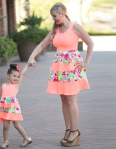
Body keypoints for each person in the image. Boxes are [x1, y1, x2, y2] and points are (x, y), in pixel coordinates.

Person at [28, 2, 94, 147]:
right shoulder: (55, 30)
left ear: (62, 13)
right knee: (64, 101)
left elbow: (90, 43)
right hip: (59, 69)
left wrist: (86, 62)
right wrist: (31, 57)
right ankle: (68, 129)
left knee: (71, 101)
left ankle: (75, 131)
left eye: (55, 16)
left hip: (72, 69)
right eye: (52, 17)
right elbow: (41, 45)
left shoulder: (74, 27)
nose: (54, 19)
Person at [0, 64, 32, 148]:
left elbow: (23, 74)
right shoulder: (3, 86)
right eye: (14, 76)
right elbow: (0, 96)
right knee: (5, 126)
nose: (16, 78)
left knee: (17, 125)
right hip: (4, 108)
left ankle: (26, 138)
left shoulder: (16, 86)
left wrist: (27, 65)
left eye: (18, 77)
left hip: (13, 108)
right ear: (8, 76)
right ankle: (5, 141)